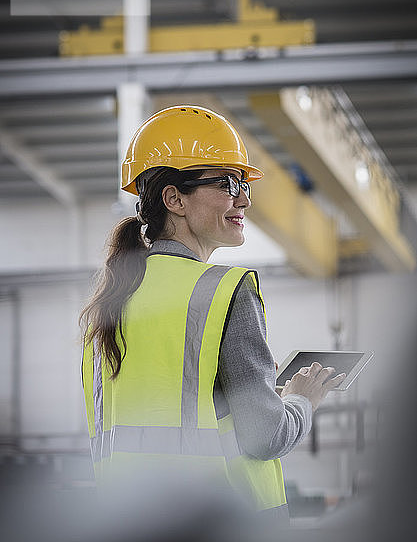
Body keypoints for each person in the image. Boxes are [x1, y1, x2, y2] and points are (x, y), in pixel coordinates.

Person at [80, 105, 345, 528]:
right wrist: (301, 400)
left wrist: (243, 387)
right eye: (227, 183)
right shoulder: (225, 291)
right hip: (218, 522)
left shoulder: (111, 298)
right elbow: (265, 438)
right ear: (174, 199)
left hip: (127, 523)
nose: (244, 198)